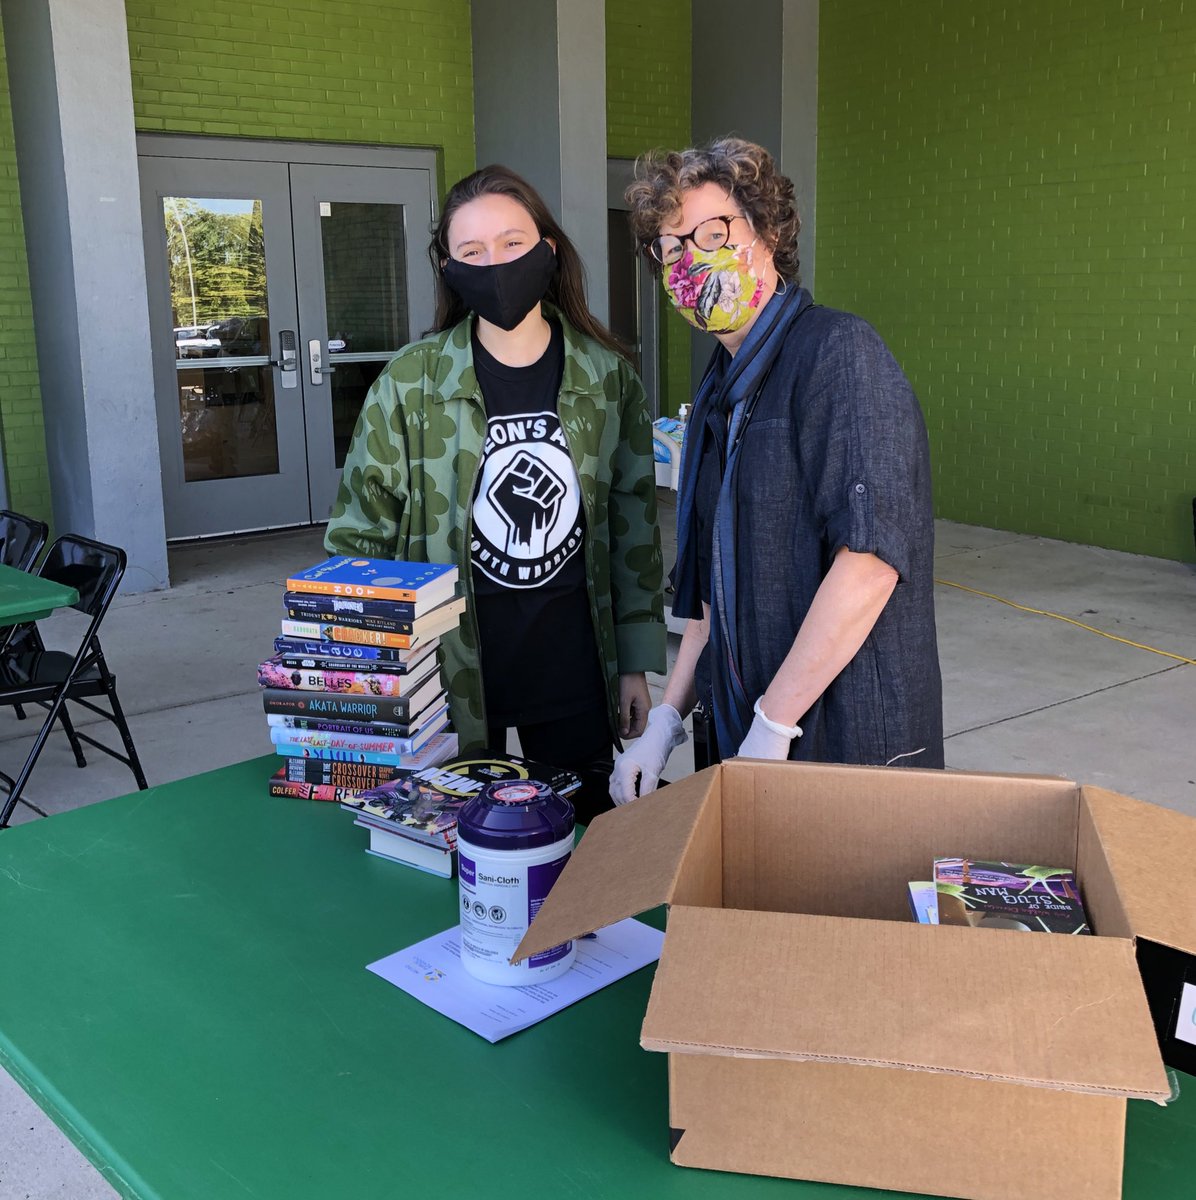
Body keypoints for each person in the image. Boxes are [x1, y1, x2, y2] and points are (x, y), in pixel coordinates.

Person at [325, 165, 666, 822]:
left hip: (572, 666)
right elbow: (357, 536)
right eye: (472, 252)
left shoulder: (607, 378)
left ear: (549, 249)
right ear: (449, 268)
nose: (496, 265)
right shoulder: (410, 383)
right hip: (442, 680)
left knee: (577, 854)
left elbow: (633, 527)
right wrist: (365, 681)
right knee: (453, 854)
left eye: (512, 243)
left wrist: (635, 662)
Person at [610, 137, 943, 803]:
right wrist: (668, 720)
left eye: (712, 233)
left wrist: (774, 721)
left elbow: (870, 562)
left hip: (844, 743)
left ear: (765, 231)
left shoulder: (839, 357)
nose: (691, 260)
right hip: (745, 735)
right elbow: (709, 596)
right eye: (672, 246)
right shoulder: (719, 391)